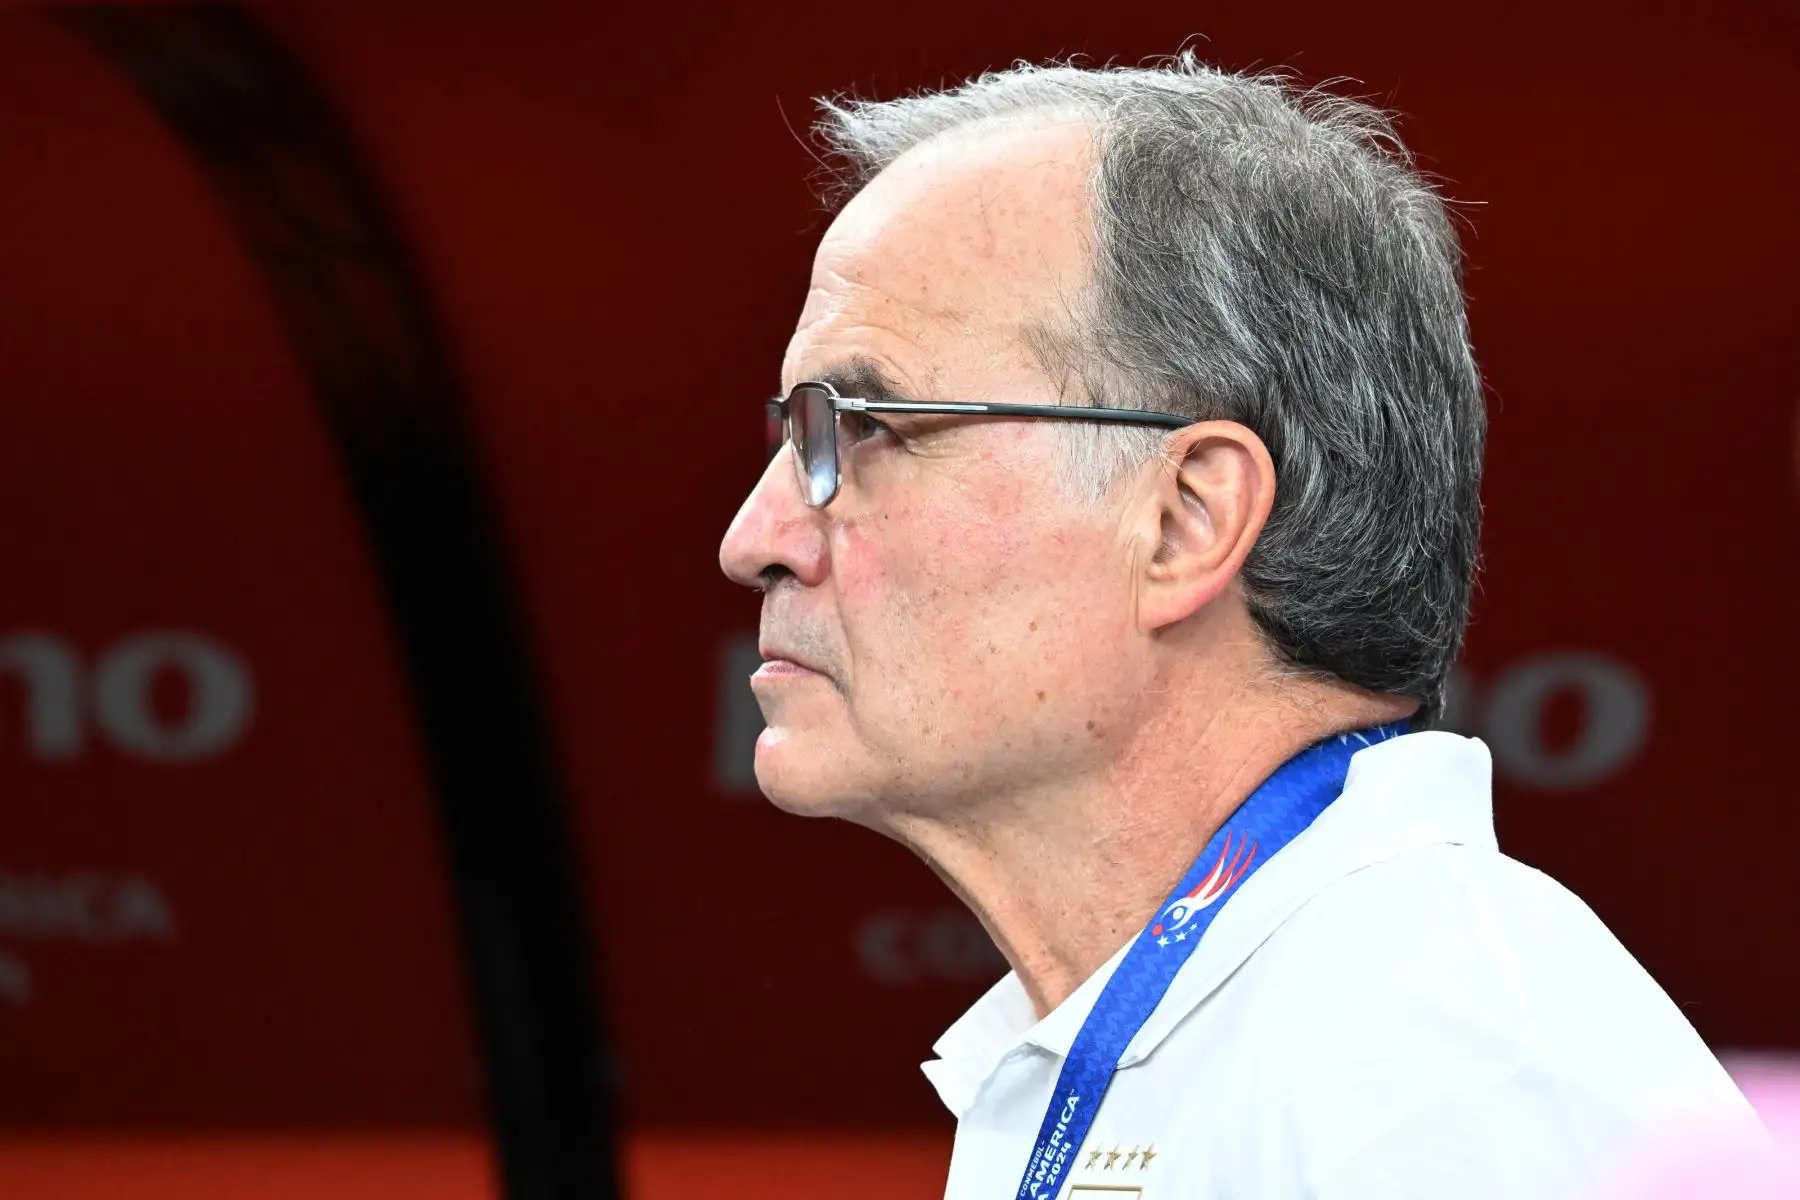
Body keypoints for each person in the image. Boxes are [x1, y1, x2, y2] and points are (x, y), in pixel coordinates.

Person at [718, 54, 1759, 1199]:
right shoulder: (1279, 1030)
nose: (756, 535)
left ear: (1183, 520)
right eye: (789, 436)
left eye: (859, 429)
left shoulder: (1443, 1079)